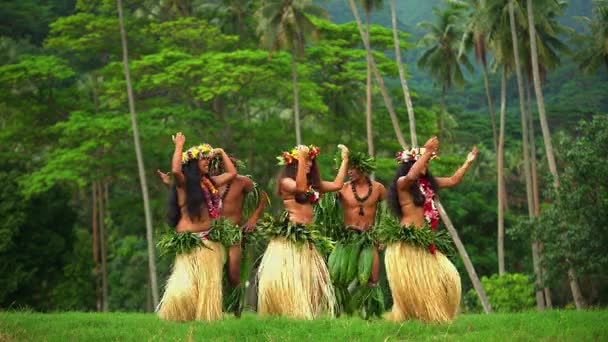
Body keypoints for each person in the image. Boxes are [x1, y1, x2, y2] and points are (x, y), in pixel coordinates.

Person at [384, 136, 477, 323]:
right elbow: (411, 176)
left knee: (448, 277)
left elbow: (452, 180)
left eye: (426, 162)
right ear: (410, 163)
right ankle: (412, 316)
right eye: (420, 162)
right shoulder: (403, 183)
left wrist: (467, 163)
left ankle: (430, 314)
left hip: (425, 241)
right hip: (408, 243)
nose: (425, 165)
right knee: (414, 284)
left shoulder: (427, 184)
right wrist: (426, 152)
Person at [256, 144, 348, 319]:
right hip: (292, 238)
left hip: (308, 237)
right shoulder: (286, 182)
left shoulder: (313, 186)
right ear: (294, 164)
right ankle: (289, 311)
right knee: (293, 277)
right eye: (305, 162)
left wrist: (345, 160)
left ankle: (310, 313)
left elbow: (337, 185)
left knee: (319, 279)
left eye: (311, 162)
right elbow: (299, 188)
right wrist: (301, 158)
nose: (309, 165)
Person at [156, 132, 237, 322]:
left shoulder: (210, 183)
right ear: (193, 163)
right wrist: (179, 146)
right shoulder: (184, 184)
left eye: (208, 159)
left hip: (208, 241)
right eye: (203, 159)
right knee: (184, 286)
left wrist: (222, 152)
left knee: (207, 285)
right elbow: (176, 171)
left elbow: (232, 174)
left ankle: (205, 316)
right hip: (190, 242)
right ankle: (178, 314)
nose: (207, 162)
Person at [328, 152, 386, 317]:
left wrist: (382, 235)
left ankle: (370, 314)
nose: (349, 172)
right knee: (337, 277)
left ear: (362, 168)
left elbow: (386, 214)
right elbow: (328, 199)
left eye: (352, 168)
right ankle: (337, 311)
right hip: (347, 238)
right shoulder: (343, 188)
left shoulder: (378, 189)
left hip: (369, 238)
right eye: (348, 168)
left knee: (373, 279)